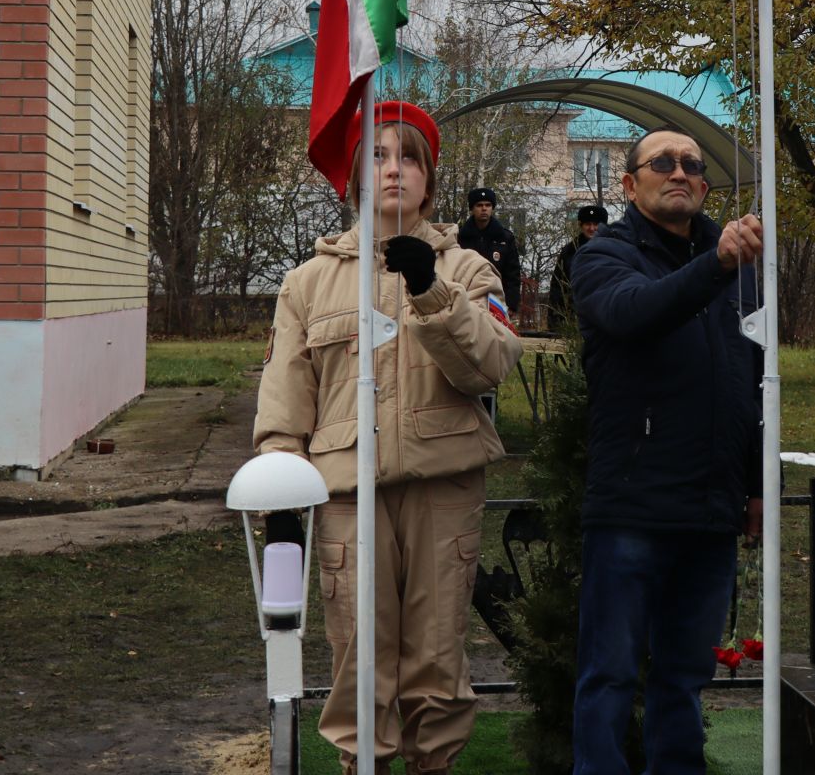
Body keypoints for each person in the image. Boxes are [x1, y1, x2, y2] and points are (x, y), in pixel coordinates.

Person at [255, 101, 522, 775]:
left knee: (436, 658)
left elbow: (489, 365)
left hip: (444, 487)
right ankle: (361, 767)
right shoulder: (307, 283)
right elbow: (287, 402)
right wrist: (280, 482)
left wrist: (430, 290)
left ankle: (434, 765)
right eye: (377, 155)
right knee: (358, 658)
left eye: (408, 157)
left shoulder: (467, 270)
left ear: (429, 181)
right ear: (353, 177)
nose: (393, 169)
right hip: (348, 494)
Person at [569, 127, 765, 775]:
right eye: (663, 163)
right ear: (630, 184)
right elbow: (634, 313)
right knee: (611, 676)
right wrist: (715, 268)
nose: (679, 172)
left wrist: (755, 483)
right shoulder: (605, 257)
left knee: (682, 679)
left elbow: (752, 380)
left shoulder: (734, 264)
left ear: (706, 187)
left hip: (710, 510)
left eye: (692, 165)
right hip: (633, 505)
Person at [456, 186, 522, 316]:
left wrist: (512, 304)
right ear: (472, 209)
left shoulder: (505, 238)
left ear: (492, 208)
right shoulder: (460, 237)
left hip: (496, 300)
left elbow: (512, 274)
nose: (484, 209)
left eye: (488, 205)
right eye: (479, 205)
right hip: (467, 298)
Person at [545, 202, 608, 331]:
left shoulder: (613, 249)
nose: (592, 228)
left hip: (605, 316)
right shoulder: (569, 251)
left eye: (596, 224)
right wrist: (555, 321)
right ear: (581, 225)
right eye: (587, 224)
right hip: (575, 318)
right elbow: (557, 286)